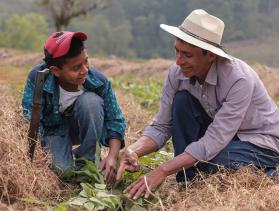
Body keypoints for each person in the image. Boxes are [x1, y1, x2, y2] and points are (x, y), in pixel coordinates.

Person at [116, 9, 279, 199]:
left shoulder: (238, 79)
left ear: (210, 55)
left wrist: (163, 170)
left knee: (213, 163)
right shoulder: (176, 74)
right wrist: (132, 151)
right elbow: (162, 126)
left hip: (259, 141)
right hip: (224, 138)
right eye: (177, 51)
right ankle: (188, 179)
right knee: (182, 102)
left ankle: (270, 174)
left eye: (187, 55)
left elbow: (214, 139)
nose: (179, 61)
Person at [22, 31, 126, 184]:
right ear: (56, 71)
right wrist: (38, 156)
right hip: (54, 131)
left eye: (86, 61)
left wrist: (112, 156)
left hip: (81, 125)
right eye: (76, 67)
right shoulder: (38, 79)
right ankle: (65, 159)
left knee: (92, 102)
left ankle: (87, 161)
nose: (84, 70)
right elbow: (30, 120)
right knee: (63, 173)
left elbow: (115, 119)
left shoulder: (97, 80)